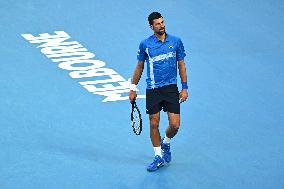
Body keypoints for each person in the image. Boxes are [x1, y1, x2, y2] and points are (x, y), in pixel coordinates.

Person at [129, 12, 189, 172]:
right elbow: (140, 66)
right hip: (153, 89)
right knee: (154, 123)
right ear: (151, 26)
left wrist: (184, 87)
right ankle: (158, 156)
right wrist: (133, 88)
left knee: (175, 125)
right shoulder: (145, 44)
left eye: (162, 22)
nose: (162, 25)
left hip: (170, 88)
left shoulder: (176, 41)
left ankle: (166, 142)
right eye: (158, 24)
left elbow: (181, 64)